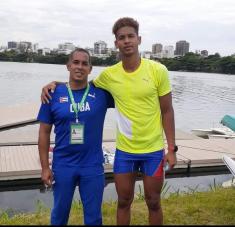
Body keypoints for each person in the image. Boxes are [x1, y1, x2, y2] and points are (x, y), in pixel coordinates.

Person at [41, 17, 177, 225]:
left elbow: (167, 111)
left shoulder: (157, 71)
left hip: (149, 150)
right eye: (122, 38)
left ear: (139, 39)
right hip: (120, 152)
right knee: (121, 202)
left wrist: (171, 149)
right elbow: (78, 85)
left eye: (131, 36)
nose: (127, 41)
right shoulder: (109, 76)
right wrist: (57, 85)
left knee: (153, 201)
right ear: (116, 43)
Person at [37, 48, 114, 225]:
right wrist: (44, 168)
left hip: (92, 164)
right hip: (63, 164)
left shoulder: (101, 93)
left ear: (90, 68)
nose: (80, 67)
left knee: (94, 217)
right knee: (59, 215)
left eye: (84, 63)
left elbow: (129, 96)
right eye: (76, 62)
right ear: (68, 65)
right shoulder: (53, 93)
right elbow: (44, 132)